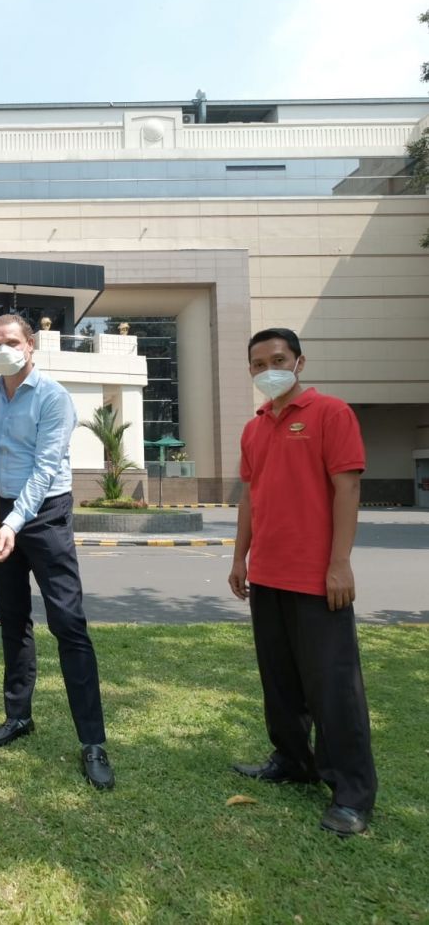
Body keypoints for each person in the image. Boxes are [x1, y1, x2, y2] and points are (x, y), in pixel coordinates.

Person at [228, 328, 377, 837]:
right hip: (266, 574)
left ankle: (352, 795)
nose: (269, 368)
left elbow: (348, 488)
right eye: (258, 362)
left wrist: (340, 564)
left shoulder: (331, 414)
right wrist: (239, 558)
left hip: (318, 578)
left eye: (279, 358)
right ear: (249, 370)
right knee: (281, 682)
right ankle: (292, 761)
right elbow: (250, 497)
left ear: (299, 362)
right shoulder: (253, 429)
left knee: (334, 688)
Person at [0, 314, 114, 790]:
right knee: (13, 622)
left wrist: (14, 522)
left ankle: (92, 741)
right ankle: (18, 717)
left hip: (46, 514)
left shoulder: (53, 397)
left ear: (31, 346)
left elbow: (46, 467)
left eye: (11, 341)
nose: (3, 349)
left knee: (68, 625)